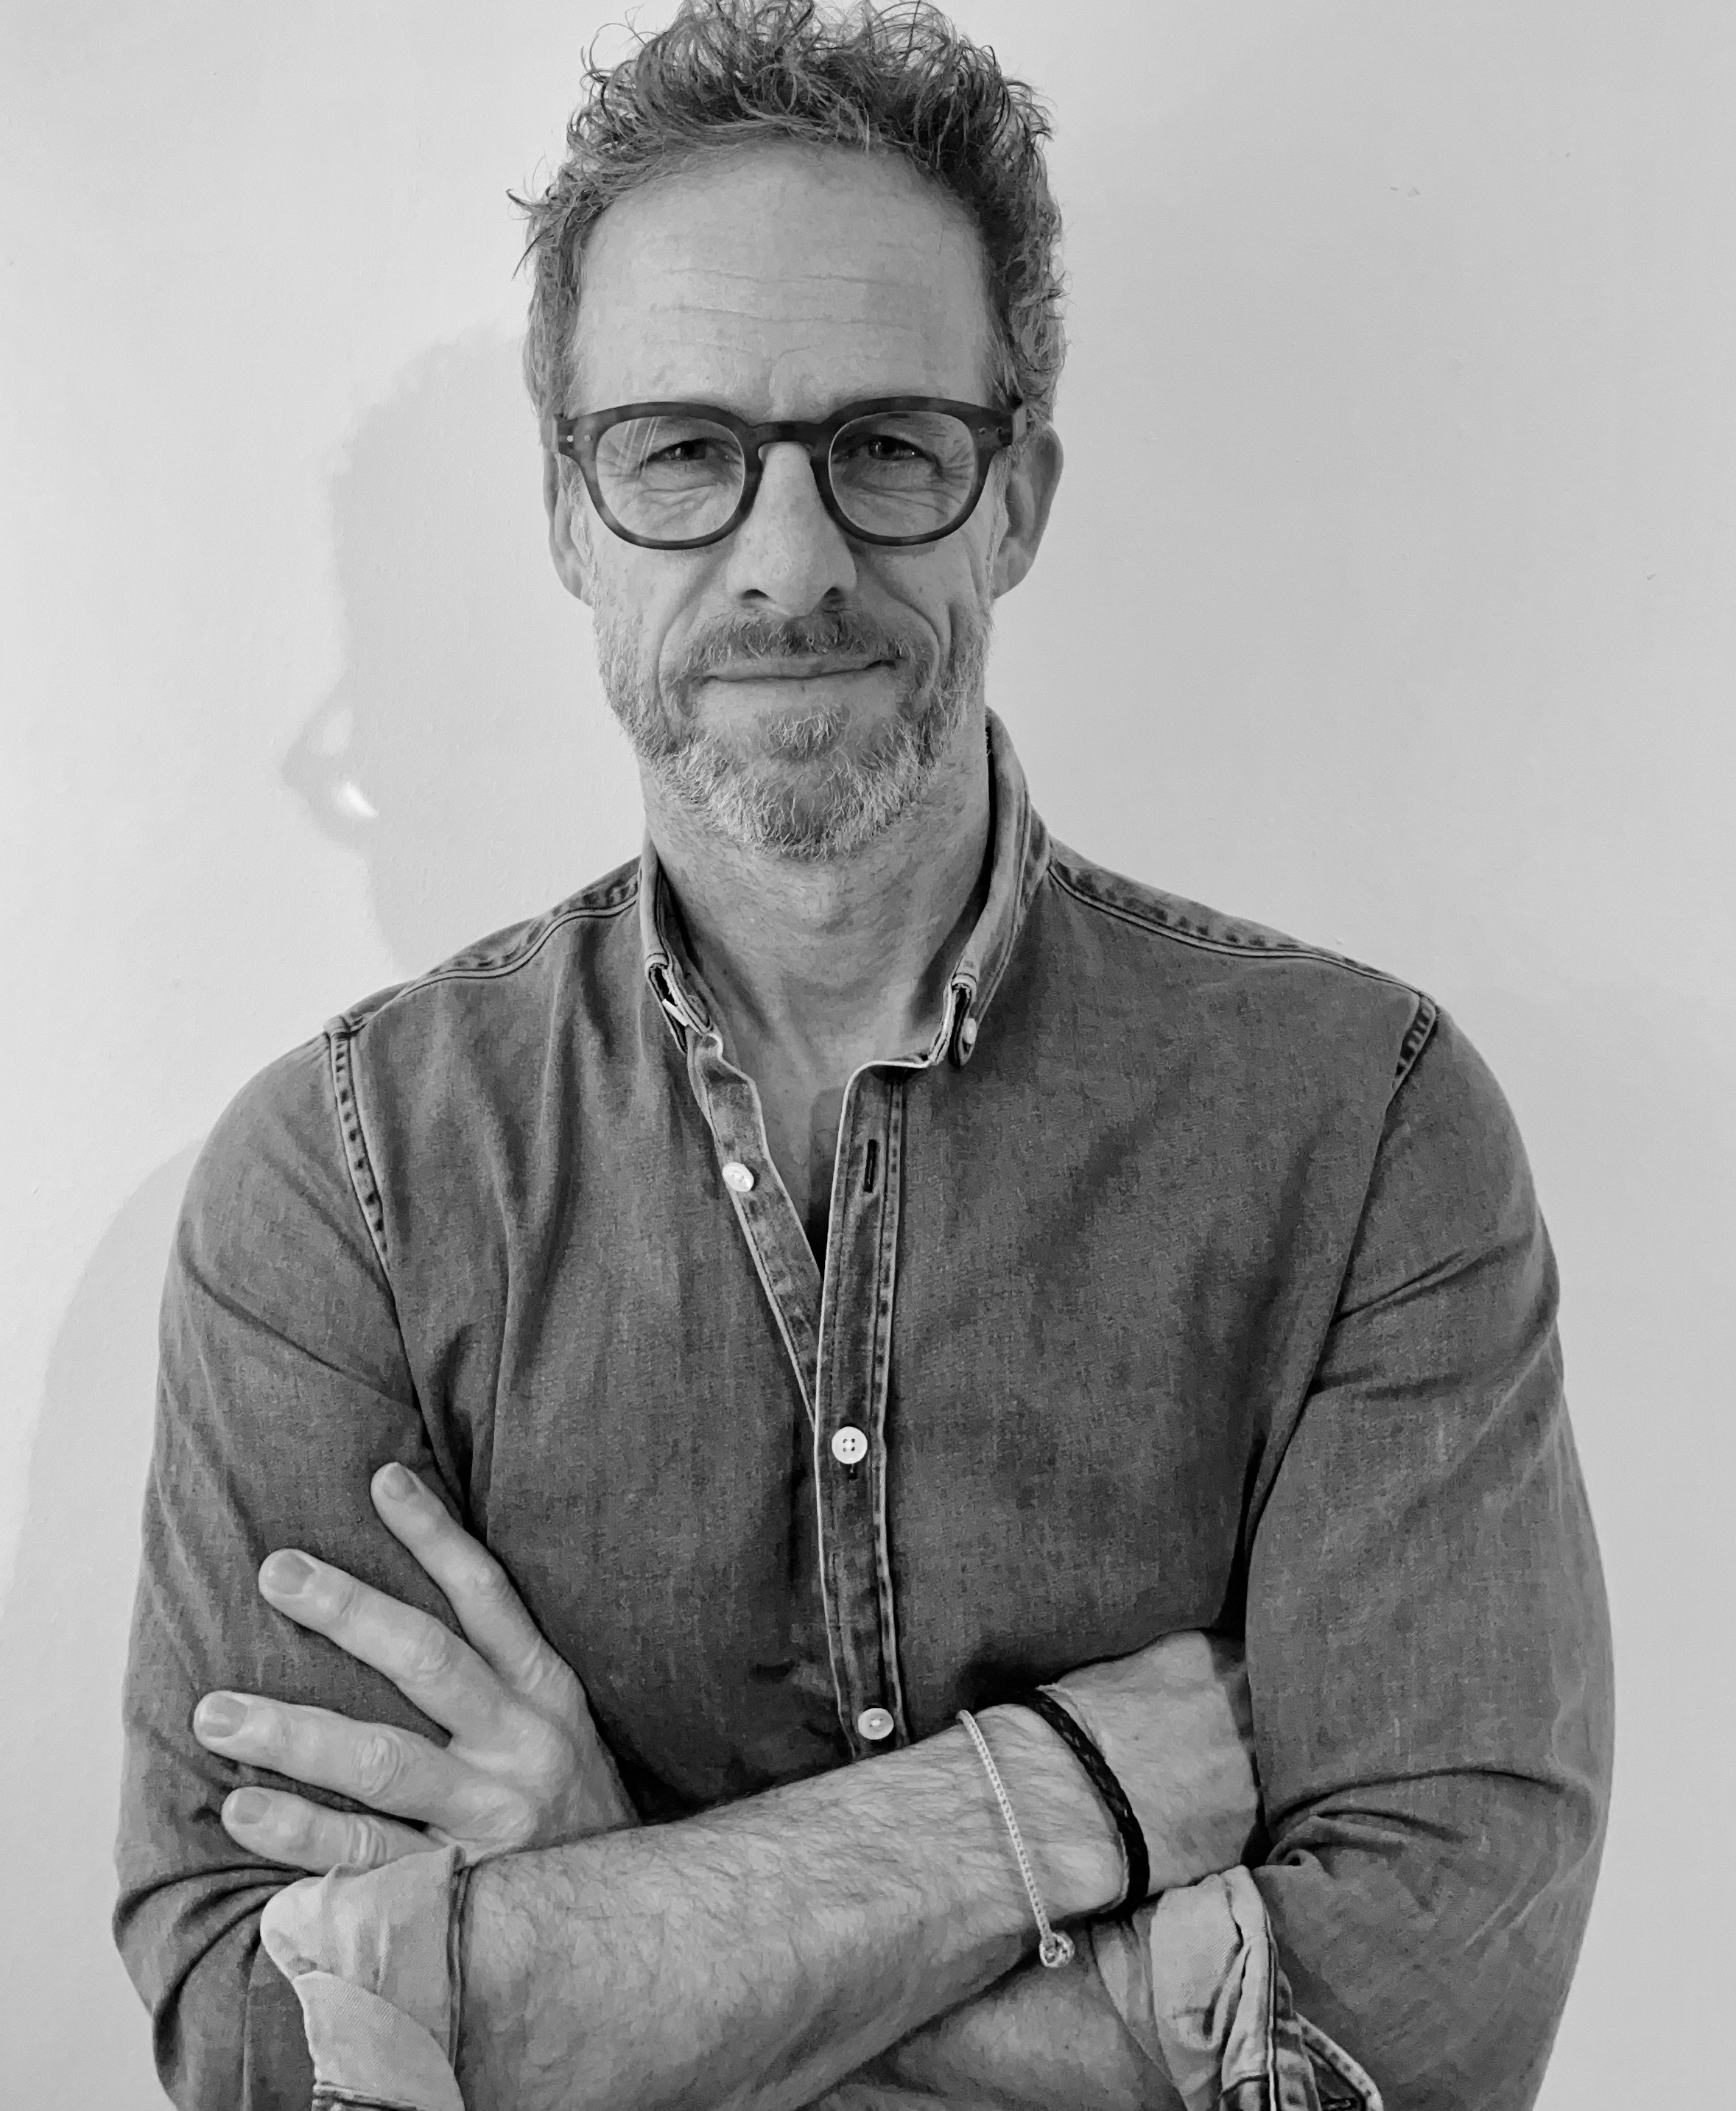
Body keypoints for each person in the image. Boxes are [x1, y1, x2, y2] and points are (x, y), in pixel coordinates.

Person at [113, 5, 1613, 2108]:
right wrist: (1059, 1801)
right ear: (569, 514)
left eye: (889, 447)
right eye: (680, 452)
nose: (791, 560)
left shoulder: (1367, 1131)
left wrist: (598, 1929)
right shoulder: (339, 1182)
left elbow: (1420, 2027)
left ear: (1020, 500)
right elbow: (254, 2036)